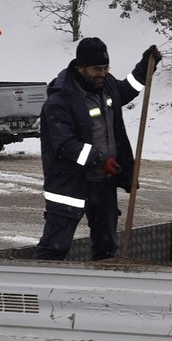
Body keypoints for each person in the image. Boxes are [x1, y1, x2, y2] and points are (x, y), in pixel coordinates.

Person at [33, 38, 162, 261]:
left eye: (105, 68)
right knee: (54, 248)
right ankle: (35, 288)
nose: (102, 73)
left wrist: (145, 67)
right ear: (80, 67)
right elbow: (65, 145)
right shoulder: (60, 100)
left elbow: (127, 89)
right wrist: (100, 159)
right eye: (96, 69)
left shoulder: (107, 85)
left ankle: (100, 291)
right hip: (69, 186)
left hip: (103, 184)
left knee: (106, 246)